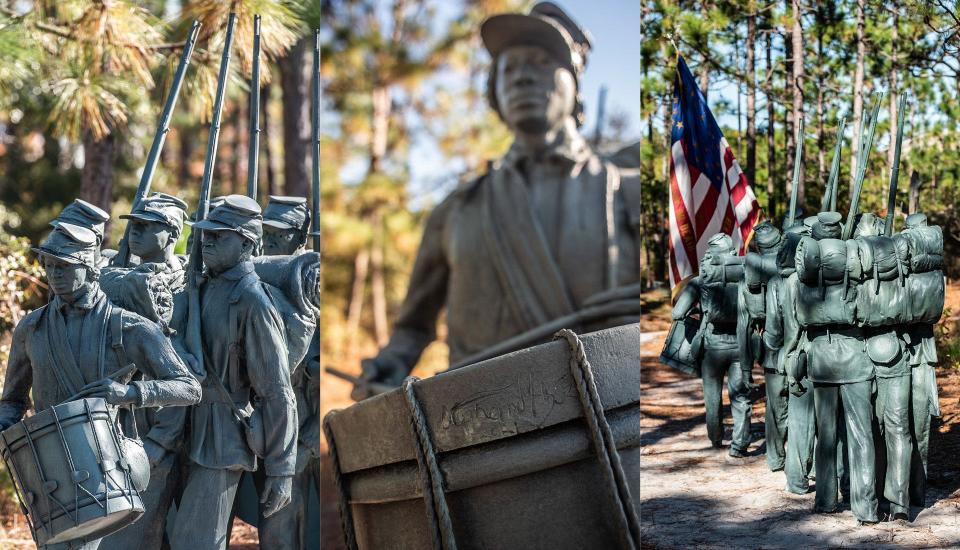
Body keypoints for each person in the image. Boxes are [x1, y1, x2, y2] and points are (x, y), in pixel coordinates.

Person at [357, 1, 640, 394]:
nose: (522, 77)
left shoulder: (625, 192)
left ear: (574, 82)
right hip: (483, 434)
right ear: (495, 94)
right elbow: (412, 329)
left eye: (541, 62)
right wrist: (385, 368)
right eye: (509, 68)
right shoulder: (456, 210)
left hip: (609, 429)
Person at [0, 221, 202, 550]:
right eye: (49, 265)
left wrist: (131, 394)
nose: (54, 274)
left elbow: (189, 388)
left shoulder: (131, 327)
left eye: (65, 266)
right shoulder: (31, 329)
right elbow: (12, 401)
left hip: (111, 464)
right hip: (50, 469)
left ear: (92, 268)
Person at [168, 195, 298, 550]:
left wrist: (282, 469)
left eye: (219, 235)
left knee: (196, 542)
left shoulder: (253, 301)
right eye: (205, 234)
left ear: (246, 243)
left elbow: (277, 391)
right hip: (183, 429)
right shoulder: (202, 287)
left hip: (223, 438)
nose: (206, 241)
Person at [99, 193, 191, 550]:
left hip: (170, 420)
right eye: (132, 225)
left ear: (171, 233)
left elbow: (190, 362)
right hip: (121, 414)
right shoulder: (114, 273)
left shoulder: (187, 284)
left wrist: (161, 439)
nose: (134, 232)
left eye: (146, 226)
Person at [792, 211, 879, 524]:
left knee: (826, 434)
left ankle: (826, 500)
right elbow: (870, 311)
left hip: (822, 359)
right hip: (856, 356)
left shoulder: (803, 278)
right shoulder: (856, 265)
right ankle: (866, 508)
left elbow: (800, 320)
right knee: (861, 435)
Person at [674, 233, 752, 457]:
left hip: (711, 348)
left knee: (712, 397)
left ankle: (716, 438)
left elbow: (677, 313)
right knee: (741, 396)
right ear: (732, 254)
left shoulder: (701, 281)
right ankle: (739, 445)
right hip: (740, 344)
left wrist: (701, 311)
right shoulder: (745, 277)